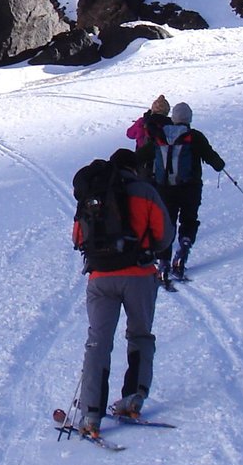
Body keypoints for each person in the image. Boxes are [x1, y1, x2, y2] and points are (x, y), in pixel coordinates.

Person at [71, 148, 173, 438]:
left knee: (98, 343)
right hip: (139, 275)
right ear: (134, 168)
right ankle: (132, 398)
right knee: (140, 335)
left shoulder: (96, 193)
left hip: (101, 277)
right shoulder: (145, 191)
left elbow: (78, 237)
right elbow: (165, 235)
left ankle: (91, 412)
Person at [152, 101, 226, 279]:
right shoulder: (195, 136)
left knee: (167, 223)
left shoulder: (161, 135)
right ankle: (183, 249)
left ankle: (163, 263)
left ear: (173, 118)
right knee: (189, 219)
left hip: (165, 189)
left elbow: (144, 155)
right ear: (189, 118)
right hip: (190, 188)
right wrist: (220, 165)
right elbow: (214, 160)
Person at [125, 96, 171, 172]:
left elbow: (129, 134)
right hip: (164, 159)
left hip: (141, 158)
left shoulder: (143, 121)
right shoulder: (170, 124)